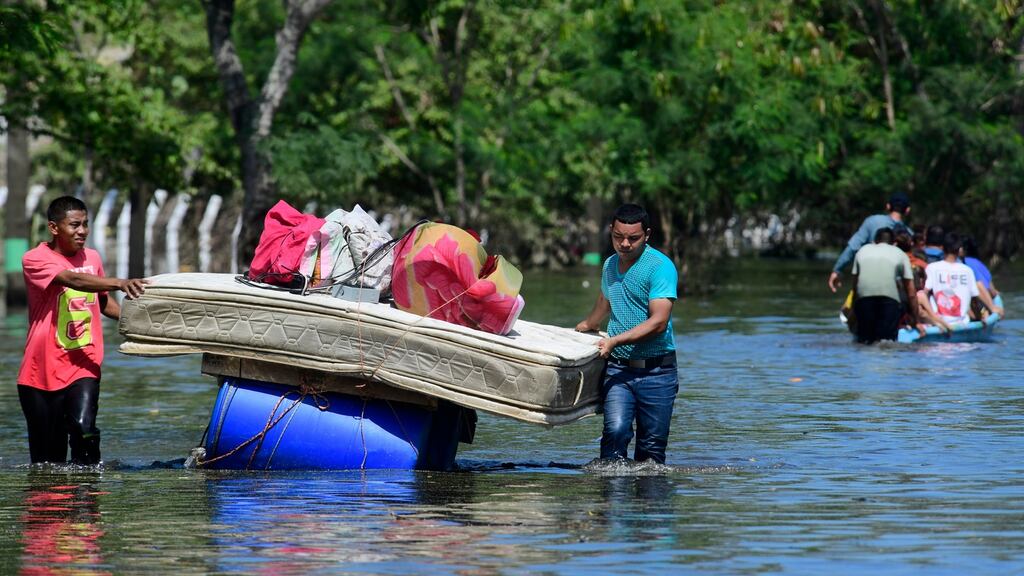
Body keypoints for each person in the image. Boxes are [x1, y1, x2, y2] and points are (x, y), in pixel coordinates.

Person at [17, 196, 148, 465]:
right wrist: (119, 282)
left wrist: (139, 326)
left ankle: (87, 495)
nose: (82, 231)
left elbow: (99, 300)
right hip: (39, 372)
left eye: (86, 224)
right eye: (74, 225)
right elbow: (73, 279)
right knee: (47, 462)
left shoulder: (92, 257)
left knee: (83, 427)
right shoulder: (35, 259)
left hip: (83, 364)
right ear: (54, 228)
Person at [576, 203, 678, 464]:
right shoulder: (609, 265)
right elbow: (606, 298)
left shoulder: (660, 267)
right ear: (610, 231)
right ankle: (610, 501)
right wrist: (589, 323)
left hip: (658, 372)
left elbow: (659, 321)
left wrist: (615, 340)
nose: (624, 244)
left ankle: (646, 504)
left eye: (633, 238)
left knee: (651, 452)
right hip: (619, 369)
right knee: (615, 433)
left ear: (647, 235)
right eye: (618, 237)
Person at [850, 227, 924, 343]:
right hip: (889, 302)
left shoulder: (862, 251)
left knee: (864, 342)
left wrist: (852, 314)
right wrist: (916, 320)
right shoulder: (900, 254)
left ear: (874, 242)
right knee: (886, 342)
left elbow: (855, 288)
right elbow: (911, 293)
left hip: (863, 302)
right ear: (894, 243)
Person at [828, 192, 912, 293]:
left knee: (848, 308)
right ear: (907, 210)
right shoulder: (909, 234)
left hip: (867, 285)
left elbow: (853, 248)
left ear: (888, 206)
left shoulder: (872, 221)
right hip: (895, 289)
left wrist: (837, 270)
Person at [924, 232, 1001, 325]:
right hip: (962, 322)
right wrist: (980, 317)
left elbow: (925, 293)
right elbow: (974, 300)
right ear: (960, 250)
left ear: (942, 248)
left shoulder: (931, 268)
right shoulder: (967, 270)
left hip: (940, 323)